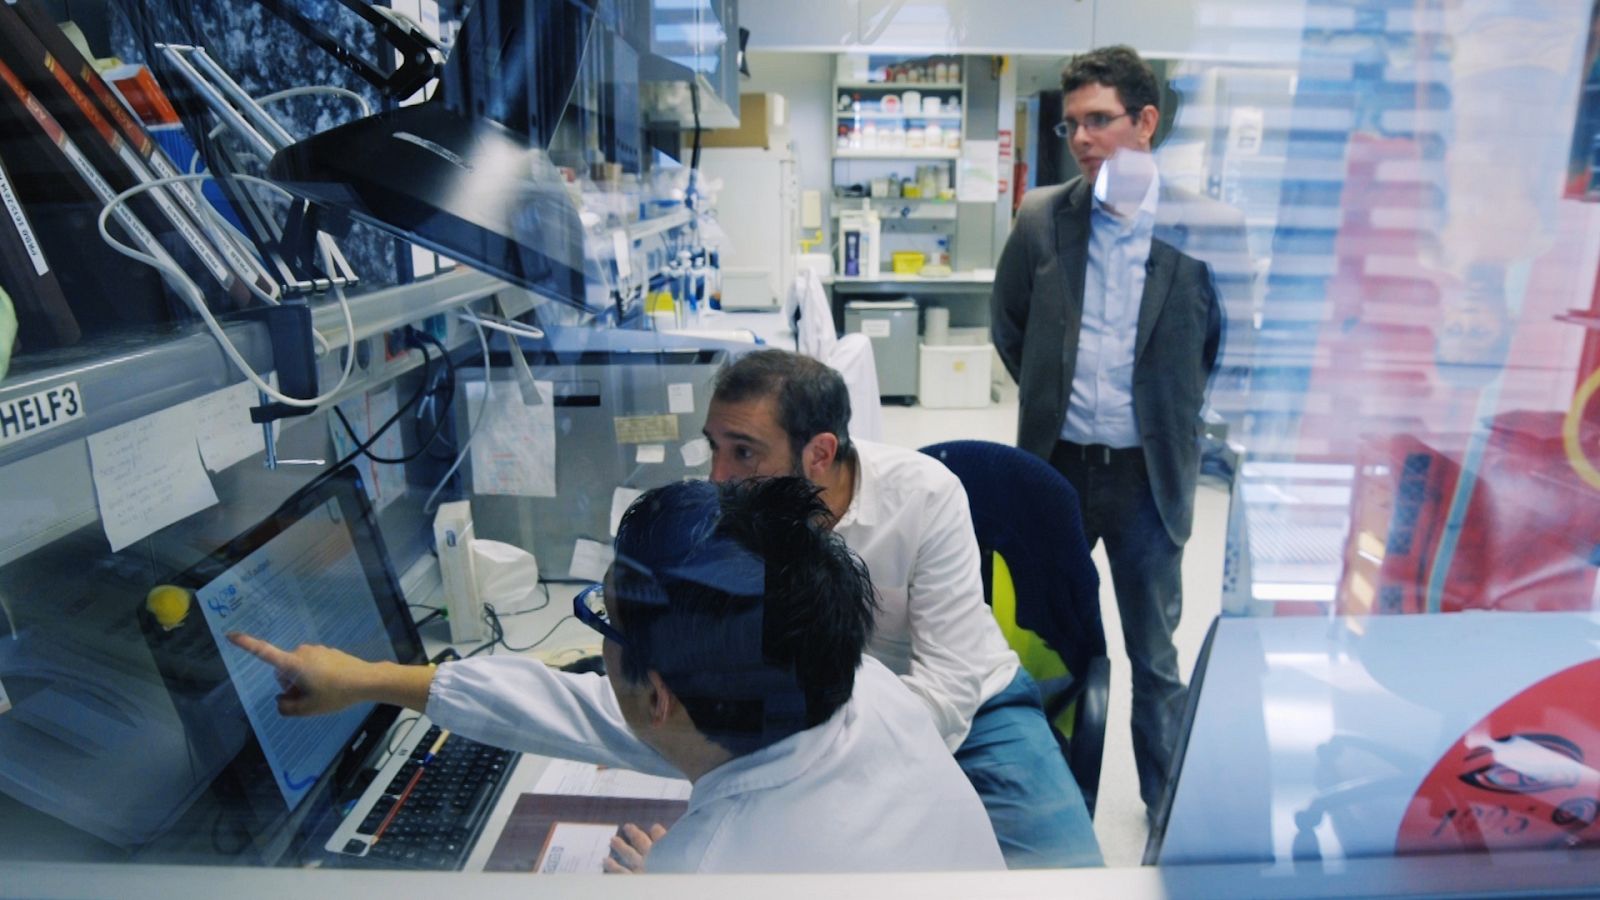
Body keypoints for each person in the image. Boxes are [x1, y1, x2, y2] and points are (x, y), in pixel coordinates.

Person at [229, 477, 1003, 874]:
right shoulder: (859, 686)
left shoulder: (707, 871)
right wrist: (370, 680)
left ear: (660, 695)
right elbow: (585, 710)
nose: (599, 655)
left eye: (606, 627)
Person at [701, 349, 1103, 868]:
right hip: (810, 721)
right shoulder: (741, 509)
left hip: (977, 714)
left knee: (1068, 880)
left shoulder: (925, 495)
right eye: (713, 448)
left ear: (819, 453)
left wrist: (828, 757)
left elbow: (951, 686)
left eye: (743, 453)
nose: (717, 477)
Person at [990, 45, 1230, 820]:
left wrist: (1169, 415)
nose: (1082, 139)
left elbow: (1222, 345)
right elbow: (1010, 328)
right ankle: (1047, 796)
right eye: (1073, 125)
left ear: (1147, 122)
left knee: (1155, 659)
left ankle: (1165, 809)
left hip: (1146, 478)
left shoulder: (1207, 228)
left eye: (1100, 121)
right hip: (1054, 471)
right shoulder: (1041, 218)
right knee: (1045, 642)